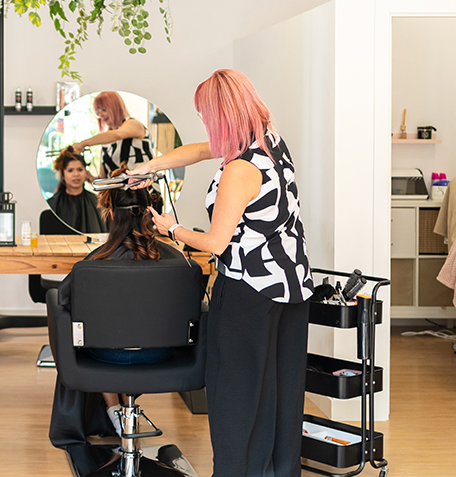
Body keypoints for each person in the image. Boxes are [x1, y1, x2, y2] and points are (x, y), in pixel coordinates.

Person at [130, 69, 313, 477]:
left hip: (249, 290)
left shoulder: (239, 170)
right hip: (291, 286)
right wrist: (152, 166)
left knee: (235, 396)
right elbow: (199, 151)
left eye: (204, 115)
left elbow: (215, 243)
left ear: (220, 116)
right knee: (279, 394)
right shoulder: (268, 141)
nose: (203, 123)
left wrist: (172, 229)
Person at [49, 164, 184, 446]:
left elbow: (63, 298)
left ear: (110, 214)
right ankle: (124, 410)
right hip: (160, 356)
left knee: (90, 327)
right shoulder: (176, 260)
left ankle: (113, 410)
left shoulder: (93, 264)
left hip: (107, 356)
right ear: (149, 212)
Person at [71, 91, 154, 177]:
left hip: (144, 184)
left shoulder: (133, 124)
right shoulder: (106, 142)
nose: (101, 115)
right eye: (97, 112)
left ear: (116, 107)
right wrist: (89, 177)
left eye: (104, 110)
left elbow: (118, 135)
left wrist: (83, 144)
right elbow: (103, 177)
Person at [48, 147, 106, 234]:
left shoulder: (97, 202)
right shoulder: (53, 204)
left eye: (80, 169)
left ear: (86, 172)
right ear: (63, 175)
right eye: (70, 170)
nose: (76, 174)